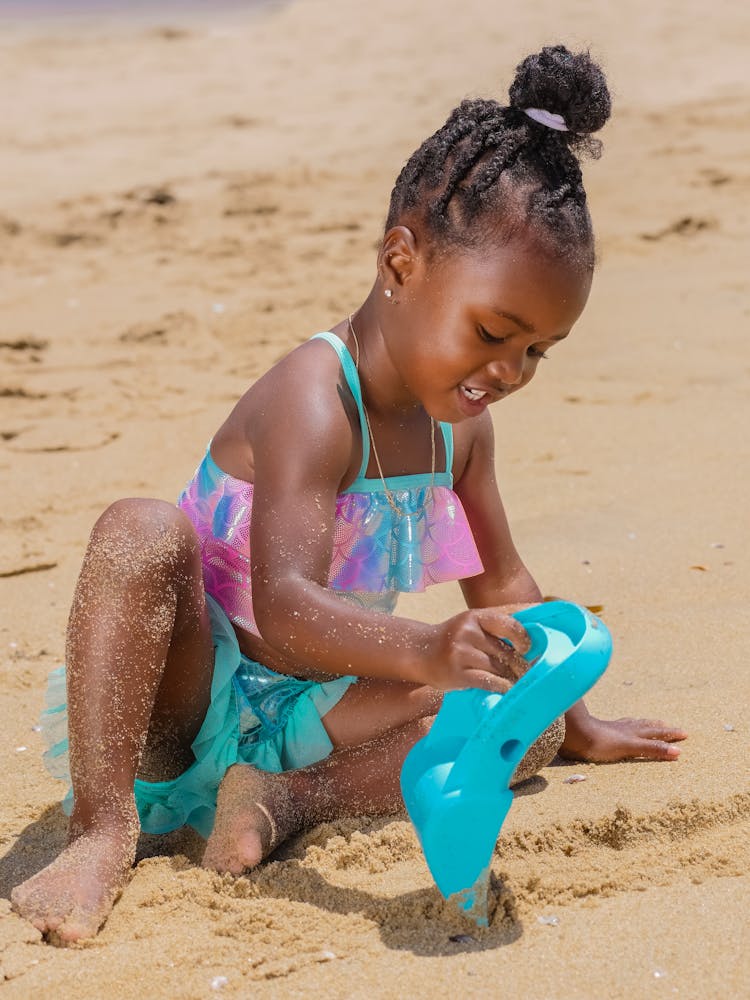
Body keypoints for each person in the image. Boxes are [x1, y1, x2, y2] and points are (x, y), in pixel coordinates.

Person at [11, 45, 686, 945]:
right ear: (401, 264)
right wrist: (427, 647)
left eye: (537, 351)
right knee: (139, 531)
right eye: (493, 331)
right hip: (188, 696)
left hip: (319, 717)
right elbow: (285, 611)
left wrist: (575, 709)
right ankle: (103, 830)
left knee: (526, 729)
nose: (510, 371)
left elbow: (502, 582)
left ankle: (285, 803)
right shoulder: (315, 399)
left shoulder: (463, 426)